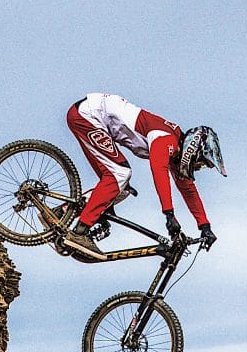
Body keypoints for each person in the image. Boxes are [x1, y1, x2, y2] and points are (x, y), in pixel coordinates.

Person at [63, 93, 225, 259]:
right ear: (194, 150)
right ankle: (79, 233)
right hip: (88, 115)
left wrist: (204, 226)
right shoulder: (166, 140)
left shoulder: (175, 152)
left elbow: (188, 189)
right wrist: (169, 214)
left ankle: (63, 213)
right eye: (201, 163)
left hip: (94, 118)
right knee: (120, 173)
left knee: (122, 189)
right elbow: (159, 171)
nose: (199, 168)